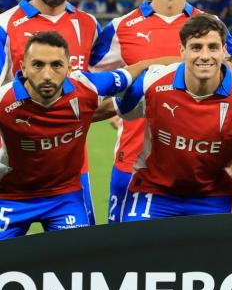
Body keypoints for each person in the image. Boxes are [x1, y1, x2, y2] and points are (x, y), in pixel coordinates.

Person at [90, 0, 232, 223]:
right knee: (124, 257)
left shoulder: (212, 27)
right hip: (132, 164)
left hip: (198, 169)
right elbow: (92, 83)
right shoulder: (121, 28)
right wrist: (114, 111)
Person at [0, 31, 167, 239]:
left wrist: (189, 63)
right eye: (38, 65)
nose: (47, 74)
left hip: (64, 197)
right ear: (23, 67)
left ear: (70, 68)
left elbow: (139, 68)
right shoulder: (4, 100)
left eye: (56, 65)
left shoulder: (86, 87)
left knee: (78, 264)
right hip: (11, 197)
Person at [114, 14, 232, 220]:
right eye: (196, 47)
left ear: (224, 51)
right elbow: (109, 109)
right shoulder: (153, 82)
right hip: (154, 191)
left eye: (213, 47)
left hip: (213, 196)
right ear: (182, 51)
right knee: (138, 250)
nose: (205, 55)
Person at [0, 0, 102, 224]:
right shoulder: (5, 25)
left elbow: (96, 85)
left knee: (77, 261)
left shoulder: (89, 25)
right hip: (13, 170)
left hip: (71, 173)